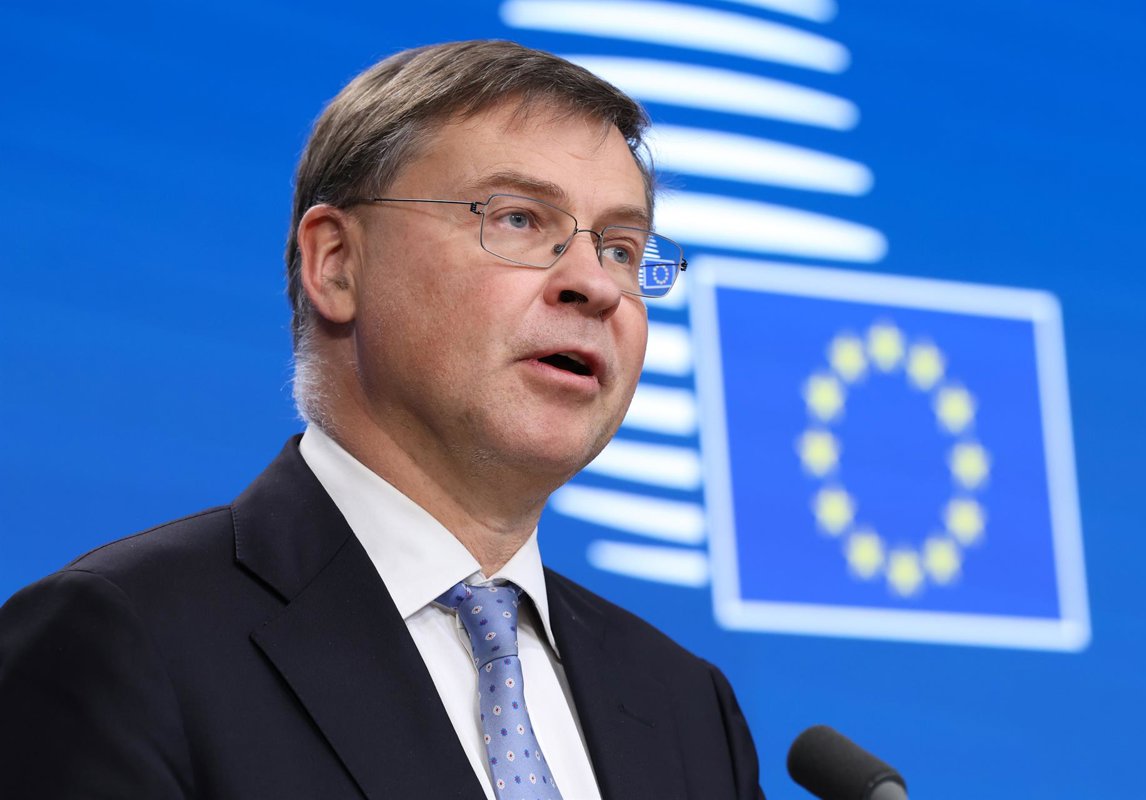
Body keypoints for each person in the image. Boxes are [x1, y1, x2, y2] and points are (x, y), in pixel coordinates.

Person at [0, 40, 763, 799]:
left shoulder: (689, 709)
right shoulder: (124, 640)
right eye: (519, 219)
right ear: (336, 263)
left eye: (622, 250)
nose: (595, 285)